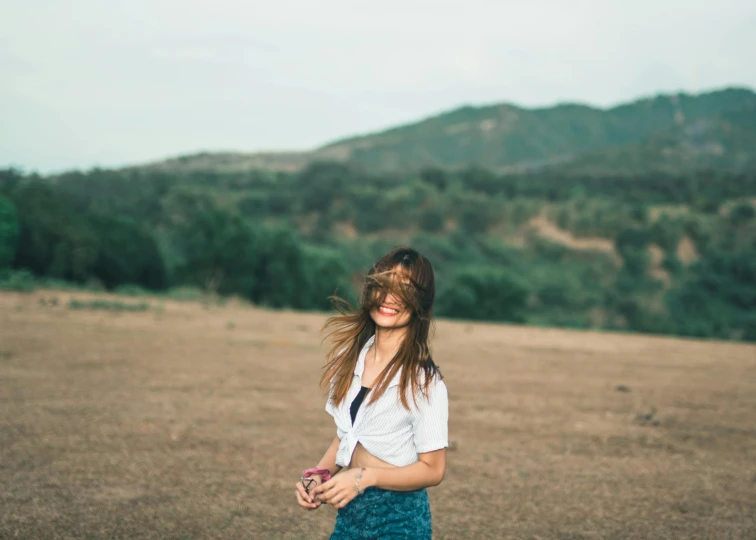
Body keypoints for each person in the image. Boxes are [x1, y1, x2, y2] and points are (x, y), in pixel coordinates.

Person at [294, 247, 449, 539]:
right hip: (351, 513)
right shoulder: (348, 358)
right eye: (382, 286)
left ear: (420, 302)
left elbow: (433, 470)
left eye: (404, 290)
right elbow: (346, 436)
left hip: (399, 519)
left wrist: (366, 478)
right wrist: (319, 475)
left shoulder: (424, 381)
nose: (388, 299)